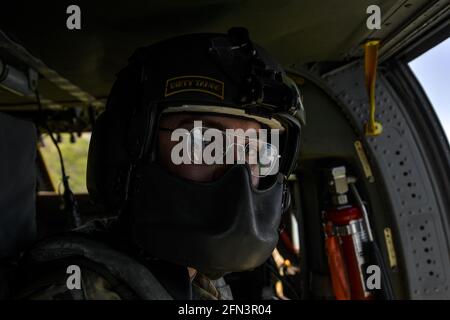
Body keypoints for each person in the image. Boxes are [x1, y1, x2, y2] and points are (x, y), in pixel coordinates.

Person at [14, 27, 305, 300]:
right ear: (129, 152)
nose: (237, 173)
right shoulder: (80, 288)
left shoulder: (195, 276)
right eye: (202, 143)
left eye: (255, 152)